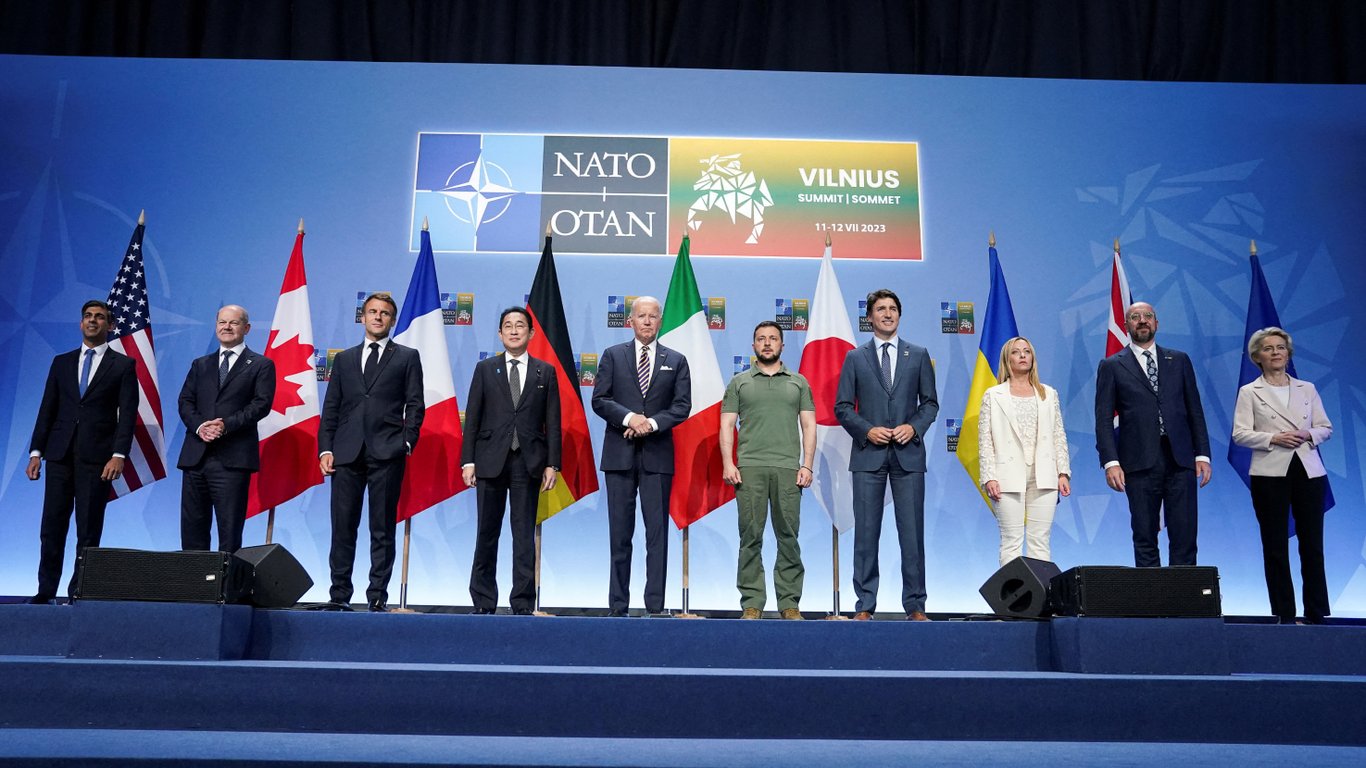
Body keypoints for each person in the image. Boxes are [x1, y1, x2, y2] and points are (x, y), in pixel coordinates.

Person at [834, 289, 939, 621]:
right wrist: (867, 430)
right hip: (869, 455)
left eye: (893, 308)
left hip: (909, 455)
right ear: (870, 317)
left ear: (899, 315)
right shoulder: (855, 358)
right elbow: (842, 407)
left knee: (912, 534)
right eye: (881, 309)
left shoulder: (918, 355)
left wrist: (913, 427)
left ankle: (916, 605)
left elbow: (930, 404)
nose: (888, 314)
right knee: (866, 534)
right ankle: (865, 605)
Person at [25, 300, 139, 603]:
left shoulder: (123, 365)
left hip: (98, 459)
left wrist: (119, 455)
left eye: (99, 317)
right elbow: (47, 409)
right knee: (51, 527)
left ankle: (79, 592)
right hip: (59, 455)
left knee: (88, 529)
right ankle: (45, 591)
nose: (92, 321)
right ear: (80, 323)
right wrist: (36, 452)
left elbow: (128, 415)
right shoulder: (61, 362)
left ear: (110, 325)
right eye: (88, 316)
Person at [318, 292, 424, 612]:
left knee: (382, 528)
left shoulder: (407, 356)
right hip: (346, 454)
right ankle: (339, 595)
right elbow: (332, 408)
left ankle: (377, 596)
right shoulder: (344, 359)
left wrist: (406, 442)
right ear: (362, 317)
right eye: (373, 312)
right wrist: (326, 449)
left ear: (392, 320)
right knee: (342, 528)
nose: (378, 317)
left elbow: (415, 404)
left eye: (385, 313)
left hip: (387, 452)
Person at [592, 296, 691, 616]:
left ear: (660, 321)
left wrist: (650, 424)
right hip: (619, 456)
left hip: (657, 456)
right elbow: (600, 399)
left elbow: (682, 406)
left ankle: (655, 607)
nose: (647, 321)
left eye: (652, 316)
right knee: (619, 534)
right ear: (630, 321)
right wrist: (630, 419)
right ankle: (618, 606)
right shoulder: (612, 355)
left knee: (657, 535)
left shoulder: (676, 360)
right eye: (641, 316)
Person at [1094, 301, 1211, 567]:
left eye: (1148, 315)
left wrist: (1202, 454)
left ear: (1156, 323)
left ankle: (1184, 593)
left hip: (1180, 459)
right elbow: (1103, 419)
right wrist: (1110, 462)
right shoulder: (1112, 365)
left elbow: (1194, 409)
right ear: (1126, 325)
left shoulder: (1179, 360)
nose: (1142, 320)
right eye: (1135, 317)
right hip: (1138, 462)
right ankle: (1152, 593)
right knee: (1145, 534)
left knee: (1185, 534)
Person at [461, 307, 561, 615]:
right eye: (508, 326)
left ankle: (522, 602)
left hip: (528, 462)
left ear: (531, 333)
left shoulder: (545, 371)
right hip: (490, 460)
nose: (514, 330)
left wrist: (552, 464)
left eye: (520, 325)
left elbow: (553, 422)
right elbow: (473, 418)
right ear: (500, 333)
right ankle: (483, 601)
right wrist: (468, 461)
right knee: (486, 532)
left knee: (523, 535)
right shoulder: (485, 368)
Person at [1232, 327, 1333, 624]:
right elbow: (1240, 434)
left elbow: (1325, 428)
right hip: (1269, 472)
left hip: (1308, 471)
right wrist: (1273, 438)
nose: (1276, 352)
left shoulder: (1307, 389)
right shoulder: (1250, 392)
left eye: (1280, 347)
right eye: (1268, 348)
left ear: (1288, 354)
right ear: (1257, 357)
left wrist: (1308, 434)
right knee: (1275, 545)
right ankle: (1284, 614)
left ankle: (1316, 613)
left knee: (1312, 545)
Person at [720, 321, 816, 620]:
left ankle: (789, 603)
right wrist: (728, 463)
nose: (767, 343)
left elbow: (809, 425)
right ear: (753, 346)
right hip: (749, 469)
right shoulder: (739, 382)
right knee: (750, 537)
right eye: (761, 338)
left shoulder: (798, 382)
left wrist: (807, 464)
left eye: (773, 338)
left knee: (789, 537)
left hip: (788, 469)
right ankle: (752, 603)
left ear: (782, 345)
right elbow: (726, 425)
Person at [176, 305, 275, 554]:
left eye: (234, 323)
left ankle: (225, 580)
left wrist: (225, 425)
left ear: (246, 328)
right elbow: (185, 401)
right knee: (192, 530)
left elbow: (261, 405)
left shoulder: (261, 364)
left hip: (233, 460)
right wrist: (200, 427)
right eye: (222, 322)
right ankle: (195, 579)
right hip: (196, 457)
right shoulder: (200, 364)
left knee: (229, 534)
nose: (227, 327)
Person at [977, 337, 1071, 565]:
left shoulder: (1049, 394)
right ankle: (1012, 590)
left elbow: (1058, 434)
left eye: (1027, 351)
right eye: (1016, 352)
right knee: (1011, 541)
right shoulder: (993, 395)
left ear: (1032, 358)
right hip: (1006, 476)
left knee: (1040, 541)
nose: (1022, 355)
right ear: (1007, 359)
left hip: (1044, 475)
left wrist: (1063, 473)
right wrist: (989, 476)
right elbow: (985, 440)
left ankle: (1041, 589)